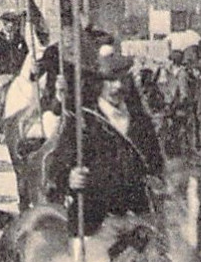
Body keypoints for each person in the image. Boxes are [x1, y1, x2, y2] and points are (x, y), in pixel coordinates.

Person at [42, 45, 162, 236]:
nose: (118, 86)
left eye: (123, 79)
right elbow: (56, 169)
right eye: (111, 80)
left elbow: (157, 165)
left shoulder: (141, 122)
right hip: (95, 221)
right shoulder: (82, 122)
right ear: (98, 83)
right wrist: (70, 178)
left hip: (140, 218)